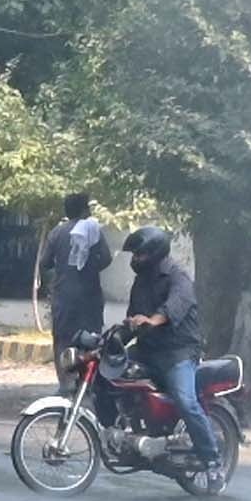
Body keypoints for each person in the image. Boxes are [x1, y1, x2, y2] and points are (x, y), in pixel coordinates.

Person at [118, 225, 218, 477]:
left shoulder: (178, 277)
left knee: (186, 401)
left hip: (179, 352)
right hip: (148, 350)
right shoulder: (140, 282)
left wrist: (152, 320)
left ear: (154, 253)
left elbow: (174, 308)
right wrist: (112, 339)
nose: (135, 260)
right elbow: (133, 321)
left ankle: (212, 462)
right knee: (111, 371)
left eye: (139, 255)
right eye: (134, 255)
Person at [34, 193, 109, 396]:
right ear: (85, 210)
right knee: (92, 338)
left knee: (62, 338)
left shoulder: (57, 233)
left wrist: (61, 273)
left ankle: (66, 384)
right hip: (90, 294)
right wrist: (90, 267)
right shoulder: (94, 231)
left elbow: (45, 262)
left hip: (64, 295)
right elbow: (107, 259)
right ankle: (88, 383)